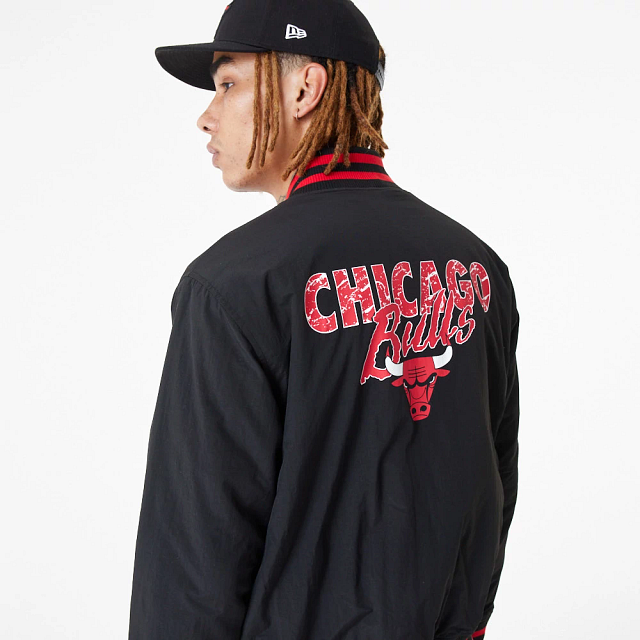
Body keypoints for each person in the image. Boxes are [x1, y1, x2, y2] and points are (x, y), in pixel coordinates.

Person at [128, 1, 521, 639]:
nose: (206, 115)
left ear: (305, 89)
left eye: (228, 84)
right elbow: (495, 482)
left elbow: (195, 549)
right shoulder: (477, 267)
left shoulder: (233, 285)